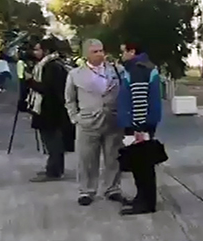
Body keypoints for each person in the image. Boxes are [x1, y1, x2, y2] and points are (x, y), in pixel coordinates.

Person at [65, 39, 129, 206]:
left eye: (101, 50)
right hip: (87, 122)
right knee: (86, 158)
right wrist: (75, 118)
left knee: (113, 157)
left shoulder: (117, 70)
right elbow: (70, 99)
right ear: (86, 54)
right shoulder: (75, 74)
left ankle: (112, 188)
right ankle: (86, 190)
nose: (100, 54)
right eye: (95, 51)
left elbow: (125, 92)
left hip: (113, 120)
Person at [117, 43, 163, 215]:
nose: (122, 55)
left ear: (132, 51)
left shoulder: (137, 69)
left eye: (123, 52)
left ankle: (146, 203)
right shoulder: (144, 67)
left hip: (139, 125)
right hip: (144, 123)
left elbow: (139, 99)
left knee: (142, 165)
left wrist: (137, 127)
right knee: (142, 164)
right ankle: (141, 198)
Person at [26, 37, 71, 182]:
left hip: (50, 109)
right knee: (51, 140)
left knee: (52, 142)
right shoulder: (50, 64)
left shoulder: (51, 67)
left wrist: (30, 81)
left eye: (38, 49)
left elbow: (47, 89)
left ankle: (53, 171)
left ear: (46, 51)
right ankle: (54, 169)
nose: (35, 52)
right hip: (50, 108)